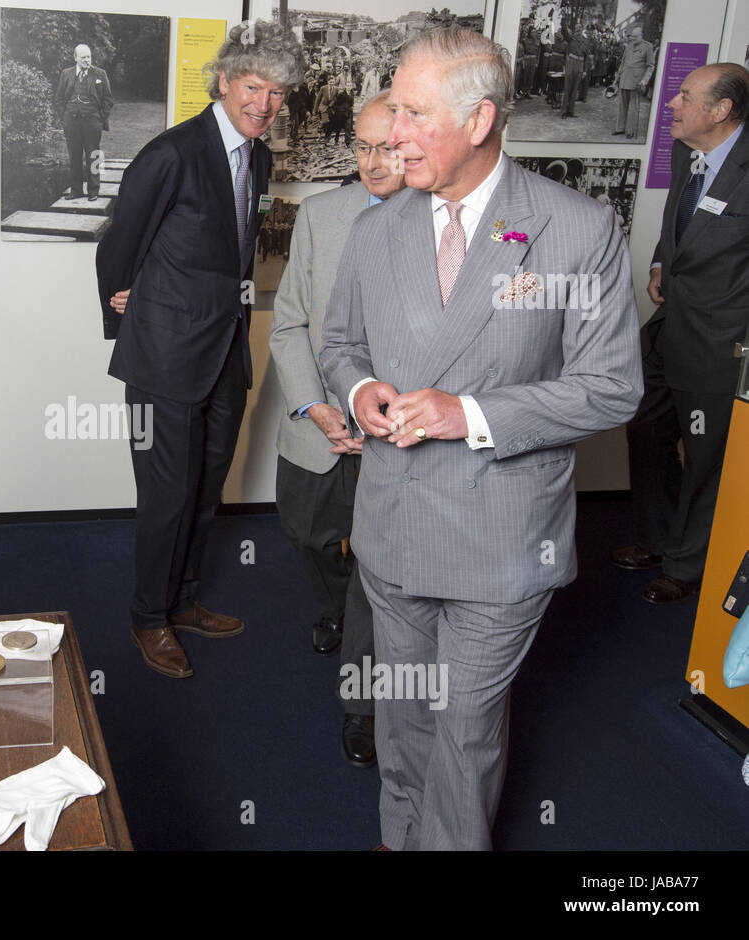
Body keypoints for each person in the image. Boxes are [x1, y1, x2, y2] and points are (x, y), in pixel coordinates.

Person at [318, 27, 642, 850]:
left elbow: (614, 386)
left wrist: (473, 415)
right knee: (403, 716)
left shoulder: (576, 229)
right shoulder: (377, 228)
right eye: (393, 111)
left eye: (412, 114)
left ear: (479, 120)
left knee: (463, 730)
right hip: (392, 529)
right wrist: (361, 391)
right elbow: (340, 345)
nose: (390, 134)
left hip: (502, 541)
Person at [96, 21, 303, 679]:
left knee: (207, 485)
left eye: (276, 93)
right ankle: (147, 618)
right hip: (164, 355)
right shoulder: (171, 154)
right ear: (223, 80)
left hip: (225, 355)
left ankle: (182, 601)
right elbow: (117, 241)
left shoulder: (261, 156)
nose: (264, 103)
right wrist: (123, 302)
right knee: (165, 495)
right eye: (253, 86)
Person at [270, 92, 405, 769]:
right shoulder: (323, 216)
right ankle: (332, 607)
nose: (373, 162)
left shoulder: (446, 224)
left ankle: (366, 704)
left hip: (401, 442)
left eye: (389, 147)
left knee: (378, 581)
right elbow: (289, 321)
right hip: (320, 426)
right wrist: (313, 406)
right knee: (310, 535)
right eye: (362, 147)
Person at [612, 64, 749, 604]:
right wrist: (659, 261)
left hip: (722, 340)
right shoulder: (682, 151)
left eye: (685, 97)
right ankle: (661, 537)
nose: (671, 103)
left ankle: (688, 564)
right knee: (643, 425)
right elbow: (680, 218)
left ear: (720, 111)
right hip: (671, 326)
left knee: (706, 455)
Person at [53, 44, 113, 201]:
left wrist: (100, 118)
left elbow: (108, 99)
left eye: (89, 57)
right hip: (71, 122)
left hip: (92, 122)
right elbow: (59, 98)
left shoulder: (100, 74)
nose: (87, 60)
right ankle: (76, 190)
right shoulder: (67, 74)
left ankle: (94, 191)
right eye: (84, 57)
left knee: (94, 155)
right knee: (74, 156)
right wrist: (64, 116)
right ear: (75, 58)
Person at [613, 26, 655, 139]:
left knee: (633, 107)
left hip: (636, 81)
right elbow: (623, 63)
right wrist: (616, 79)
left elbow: (650, 66)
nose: (632, 38)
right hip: (625, 79)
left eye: (635, 37)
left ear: (641, 36)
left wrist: (644, 81)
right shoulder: (629, 46)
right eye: (632, 36)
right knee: (622, 105)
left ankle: (630, 131)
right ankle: (620, 128)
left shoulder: (648, 47)